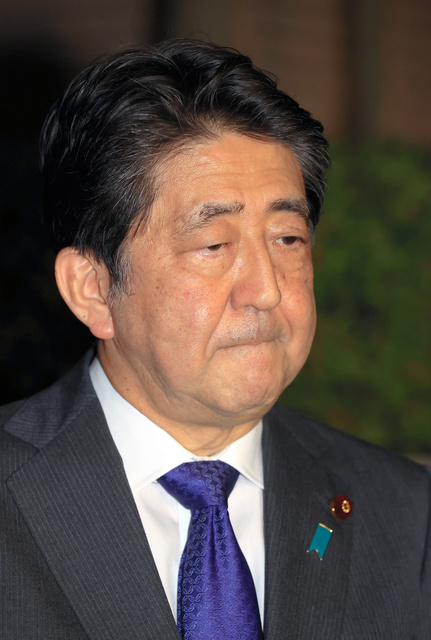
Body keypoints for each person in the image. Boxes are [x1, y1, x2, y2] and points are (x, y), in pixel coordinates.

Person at [1, 39, 430, 640]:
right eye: (214, 245)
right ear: (93, 289)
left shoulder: (403, 514)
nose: (267, 291)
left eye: (287, 239)